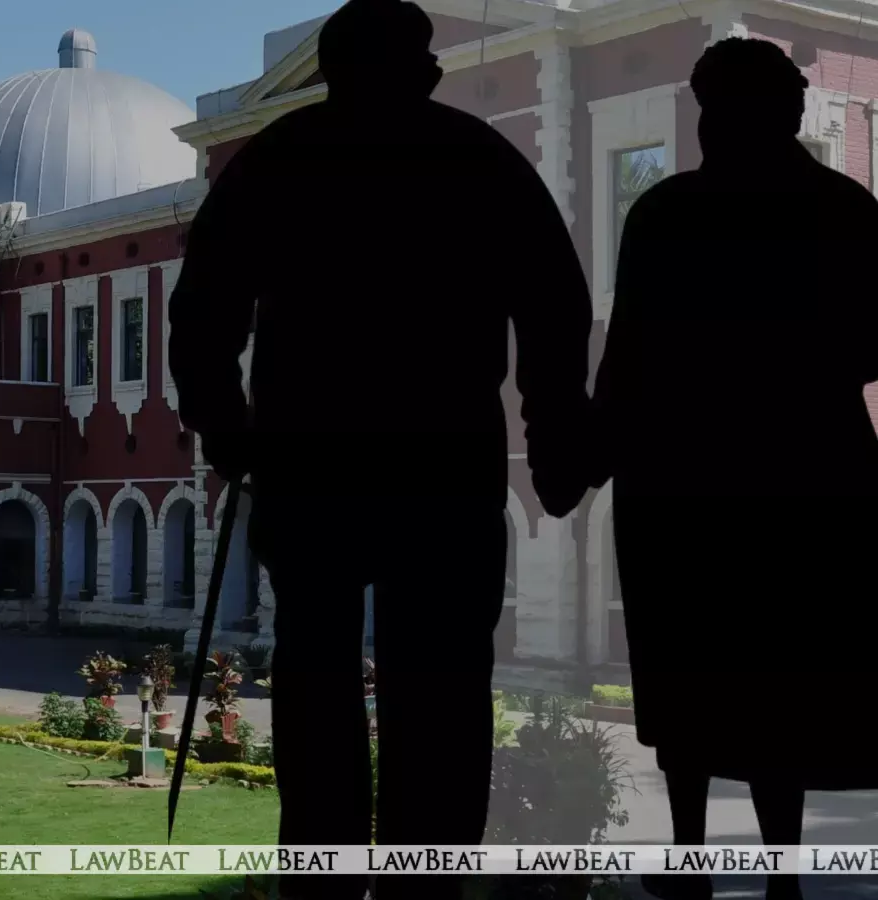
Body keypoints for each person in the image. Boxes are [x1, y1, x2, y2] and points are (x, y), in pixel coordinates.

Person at [167, 0, 594, 897]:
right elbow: (555, 306)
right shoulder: (476, 158)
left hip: (311, 463)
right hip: (442, 467)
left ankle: (322, 882)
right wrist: (554, 439)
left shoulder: (280, 160)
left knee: (316, 683)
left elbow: (203, 308)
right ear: (425, 71)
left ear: (330, 70)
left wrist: (226, 425)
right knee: (439, 695)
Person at [590, 37, 878, 900]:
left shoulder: (668, 214)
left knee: (692, 673)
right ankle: (777, 872)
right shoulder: (845, 209)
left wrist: (595, 448)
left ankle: (691, 863)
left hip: (686, 480)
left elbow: (626, 357)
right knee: (779, 678)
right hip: (812, 474)